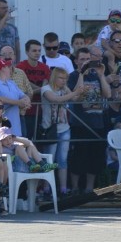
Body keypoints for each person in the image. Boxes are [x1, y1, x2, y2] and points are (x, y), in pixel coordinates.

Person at [67, 49, 111, 194]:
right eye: (82, 59)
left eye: (88, 59)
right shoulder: (73, 76)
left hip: (97, 121)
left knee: (95, 156)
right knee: (78, 156)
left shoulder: (95, 75)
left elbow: (107, 94)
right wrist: (82, 74)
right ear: (76, 61)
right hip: (80, 122)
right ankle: (74, 188)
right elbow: (77, 96)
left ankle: (89, 188)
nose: (85, 61)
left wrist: (101, 74)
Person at [40, 67, 80, 196]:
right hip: (50, 129)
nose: (64, 81)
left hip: (64, 128)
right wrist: (75, 93)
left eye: (65, 79)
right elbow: (55, 99)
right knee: (49, 159)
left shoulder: (64, 89)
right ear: (54, 77)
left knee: (62, 159)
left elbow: (75, 99)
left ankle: (63, 189)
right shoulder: (46, 89)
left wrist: (82, 77)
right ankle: (46, 188)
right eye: (61, 78)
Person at [0, 58, 30, 138]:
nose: (10, 68)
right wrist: (18, 103)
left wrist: (26, 101)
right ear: (2, 69)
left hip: (16, 127)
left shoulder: (11, 82)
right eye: (7, 66)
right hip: (1, 128)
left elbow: (22, 95)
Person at [16, 39, 51, 141]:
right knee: (25, 138)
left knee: (40, 141)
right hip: (26, 110)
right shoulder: (20, 67)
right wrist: (41, 89)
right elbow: (23, 85)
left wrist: (32, 89)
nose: (37, 53)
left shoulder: (45, 67)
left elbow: (47, 84)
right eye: (34, 50)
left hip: (41, 110)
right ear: (27, 52)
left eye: (39, 50)